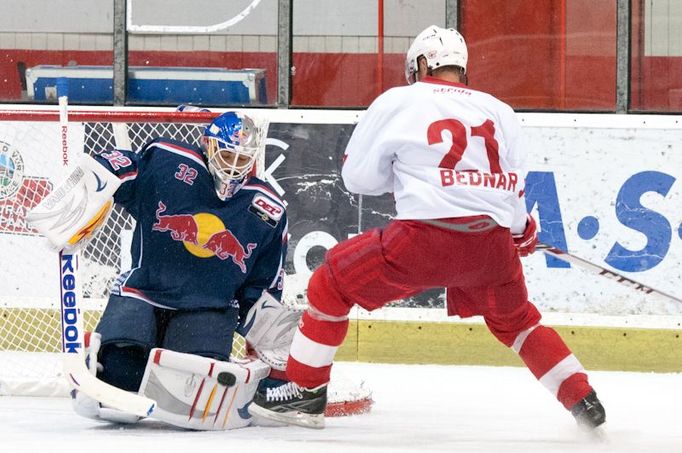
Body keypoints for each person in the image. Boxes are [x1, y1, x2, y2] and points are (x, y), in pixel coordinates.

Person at [248, 25, 606, 431]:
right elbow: (512, 193)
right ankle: (583, 400)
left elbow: (358, 179)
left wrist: (405, 177)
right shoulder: (500, 111)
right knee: (519, 321)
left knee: (329, 282)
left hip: (423, 240)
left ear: (421, 64)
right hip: (490, 246)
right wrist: (522, 230)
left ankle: (304, 390)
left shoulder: (400, 100)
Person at [29, 110, 290, 429]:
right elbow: (121, 168)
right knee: (120, 377)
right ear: (208, 145)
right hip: (144, 292)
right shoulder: (168, 160)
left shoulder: (268, 208)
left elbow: (263, 286)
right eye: (227, 154)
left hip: (208, 306)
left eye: (242, 159)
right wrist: (97, 177)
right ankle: (106, 359)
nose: (233, 166)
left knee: (192, 389)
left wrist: (276, 350)